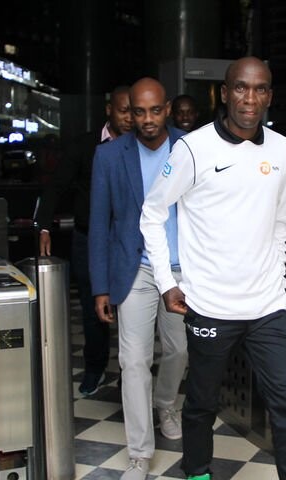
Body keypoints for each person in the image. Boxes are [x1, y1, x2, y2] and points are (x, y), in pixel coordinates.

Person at [140, 56, 286, 480]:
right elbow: (152, 213)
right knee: (202, 402)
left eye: (259, 89)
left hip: (267, 306)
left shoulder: (282, 148)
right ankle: (198, 472)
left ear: (269, 96)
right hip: (211, 306)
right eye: (240, 87)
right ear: (224, 93)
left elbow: (280, 221)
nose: (249, 98)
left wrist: (277, 280)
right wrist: (166, 282)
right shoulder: (192, 148)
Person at [89, 77, 188, 480]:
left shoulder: (190, 147)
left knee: (179, 351)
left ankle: (165, 403)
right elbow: (100, 223)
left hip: (181, 271)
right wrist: (100, 286)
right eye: (139, 111)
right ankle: (139, 454)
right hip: (135, 269)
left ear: (168, 109)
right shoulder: (110, 156)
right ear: (129, 112)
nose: (147, 119)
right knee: (133, 361)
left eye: (155, 111)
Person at [35, 85, 132, 396]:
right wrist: (44, 226)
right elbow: (56, 185)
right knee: (93, 309)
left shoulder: (142, 146)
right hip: (89, 238)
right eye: (123, 111)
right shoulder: (84, 145)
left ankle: (132, 373)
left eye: (133, 111)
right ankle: (95, 368)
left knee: (132, 307)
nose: (129, 118)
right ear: (109, 110)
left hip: (128, 242)